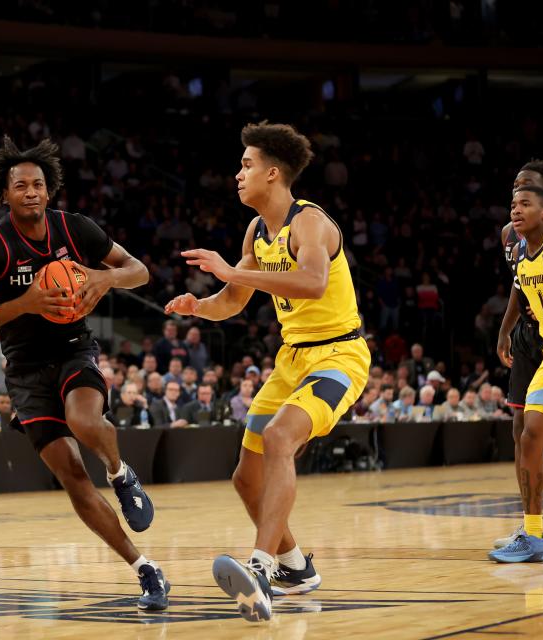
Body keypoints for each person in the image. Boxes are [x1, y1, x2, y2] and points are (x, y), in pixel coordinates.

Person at [166, 122, 370, 621]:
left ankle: (259, 567)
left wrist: (234, 272)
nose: (238, 174)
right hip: (291, 361)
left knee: (280, 439)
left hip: (339, 356)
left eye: (246, 165)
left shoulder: (311, 223)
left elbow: (314, 282)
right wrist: (200, 306)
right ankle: (295, 565)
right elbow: (233, 300)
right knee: (245, 476)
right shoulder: (257, 231)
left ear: (273, 173)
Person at [0, 134, 168, 612]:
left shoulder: (75, 228)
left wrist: (106, 277)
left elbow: (140, 270)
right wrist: (26, 303)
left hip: (72, 350)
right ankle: (145, 568)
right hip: (23, 369)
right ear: (5, 194)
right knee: (72, 478)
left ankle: (121, 473)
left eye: (38, 184)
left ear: (50, 190)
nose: (30, 191)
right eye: (20, 185)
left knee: (86, 423)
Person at [489, 183, 543, 563]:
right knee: (528, 434)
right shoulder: (523, 256)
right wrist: (505, 328)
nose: (516, 209)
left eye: (525, 203)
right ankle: (534, 533)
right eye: (512, 203)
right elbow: (517, 289)